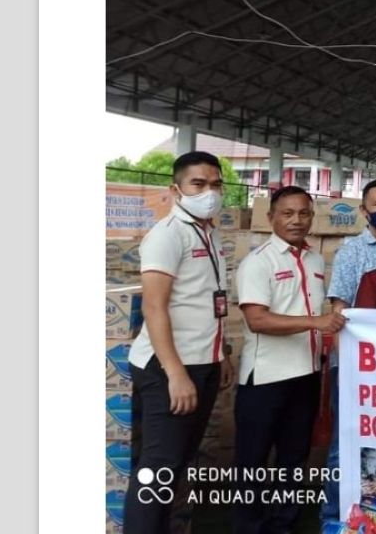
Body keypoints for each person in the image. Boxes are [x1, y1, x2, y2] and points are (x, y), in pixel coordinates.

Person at [124, 151, 236, 534]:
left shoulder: (209, 232)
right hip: (169, 366)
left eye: (216, 184)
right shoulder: (166, 235)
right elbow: (155, 309)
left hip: (202, 362)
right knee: (158, 469)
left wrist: (221, 354)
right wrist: (175, 374)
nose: (210, 192)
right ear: (176, 190)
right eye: (198, 184)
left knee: (178, 464)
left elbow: (208, 301)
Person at [234, 186, 346, 533]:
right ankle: (248, 527)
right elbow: (258, 320)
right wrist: (316, 323)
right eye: (287, 213)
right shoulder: (258, 261)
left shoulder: (313, 259)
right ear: (271, 218)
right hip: (265, 379)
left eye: (304, 213)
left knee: (293, 460)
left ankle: (284, 525)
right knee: (252, 462)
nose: (296, 220)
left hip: (306, 375)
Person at [321, 178, 376, 526]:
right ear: (364, 210)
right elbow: (340, 311)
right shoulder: (351, 252)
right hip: (356, 366)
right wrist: (350, 367)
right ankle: (333, 517)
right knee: (345, 443)